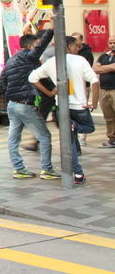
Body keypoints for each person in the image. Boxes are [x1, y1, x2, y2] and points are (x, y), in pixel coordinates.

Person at [30, 36, 99, 185]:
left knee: (71, 142)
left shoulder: (52, 62)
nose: (78, 49)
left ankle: (78, 173)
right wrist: (93, 102)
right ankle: (78, 172)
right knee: (89, 128)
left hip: (63, 108)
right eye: (76, 46)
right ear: (68, 46)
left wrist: (49, 93)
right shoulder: (80, 60)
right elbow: (94, 80)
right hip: (79, 106)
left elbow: (32, 78)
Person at [0, 29, 57, 179]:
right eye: (36, 45)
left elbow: (2, 80)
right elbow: (41, 45)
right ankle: (47, 170)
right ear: (31, 46)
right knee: (44, 136)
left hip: (12, 104)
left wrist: (9, 94)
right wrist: (51, 30)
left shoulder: (11, 60)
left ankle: (19, 168)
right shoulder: (29, 57)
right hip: (25, 104)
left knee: (13, 139)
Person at [92, 38, 115, 148]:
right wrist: (109, 68)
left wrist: (102, 68)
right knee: (108, 116)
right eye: (110, 43)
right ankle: (112, 139)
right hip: (104, 90)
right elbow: (95, 69)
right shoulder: (103, 56)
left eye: (114, 43)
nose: (112, 45)